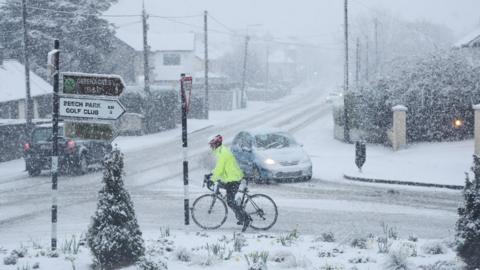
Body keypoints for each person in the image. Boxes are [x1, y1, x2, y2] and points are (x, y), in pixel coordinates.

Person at [209, 134, 251, 232]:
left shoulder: (223, 153)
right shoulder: (221, 151)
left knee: (230, 202)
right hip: (229, 179)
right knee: (229, 197)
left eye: (212, 145)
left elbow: (219, 169)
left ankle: (246, 219)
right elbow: (219, 168)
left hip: (234, 179)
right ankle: (240, 215)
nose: (211, 147)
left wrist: (212, 179)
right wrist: (210, 175)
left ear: (216, 144)